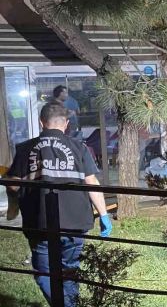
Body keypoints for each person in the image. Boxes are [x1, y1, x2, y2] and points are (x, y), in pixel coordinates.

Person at [5, 102, 112, 307]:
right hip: (75, 222)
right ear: (67, 123)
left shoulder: (25, 148)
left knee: (44, 273)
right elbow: (92, 182)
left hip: (40, 221)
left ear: (41, 122)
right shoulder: (79, 147)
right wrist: (104, 215)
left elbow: (14, 185)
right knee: (69, 271)